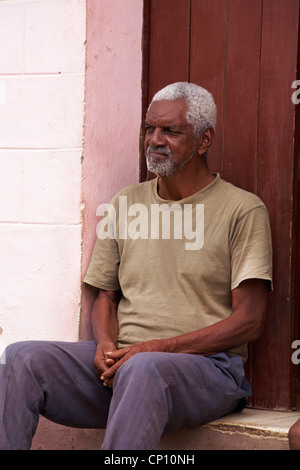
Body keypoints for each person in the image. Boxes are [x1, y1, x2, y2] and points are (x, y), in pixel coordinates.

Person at [0, 82, 272, 450]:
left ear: (204, 140)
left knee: (144, 368)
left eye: (170, 131)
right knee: (21, 357)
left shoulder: (243, 209)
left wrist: (160, 347)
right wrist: (106, 345)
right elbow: (105, 297)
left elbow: (250, 319)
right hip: (125, 363)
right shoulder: (126, 202)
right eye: (149, 128)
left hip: (209, 370)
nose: (154, 139)